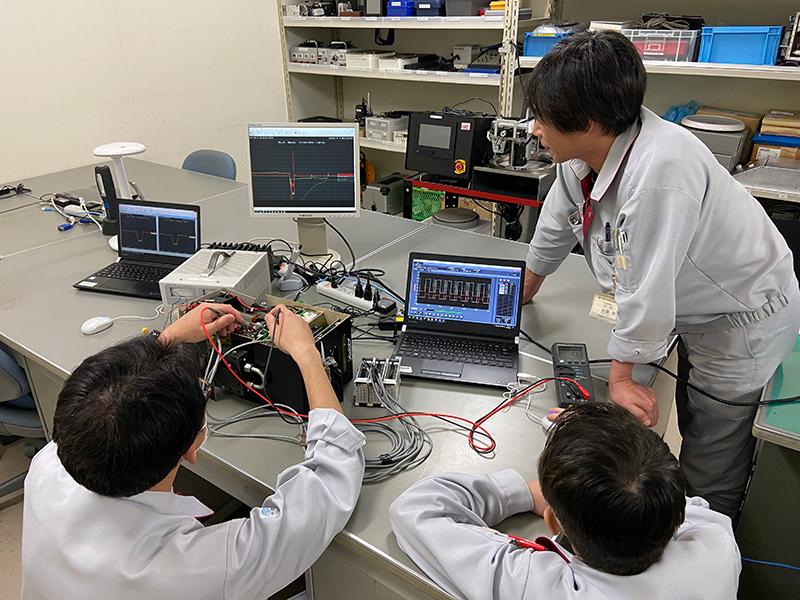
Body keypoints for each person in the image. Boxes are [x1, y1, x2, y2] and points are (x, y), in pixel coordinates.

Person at [522, 30, 800, 519]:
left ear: (587, 121)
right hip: (691, 310)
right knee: (692, 415)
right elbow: (554, 226)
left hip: (741, 317)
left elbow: (644, 287)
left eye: (542, 117)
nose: (533, 128)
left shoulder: (661, 170)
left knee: (712, 451)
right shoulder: (586, 154)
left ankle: (705, 551)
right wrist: (522, 290)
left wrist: (624, 376)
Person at [21, 303, 366, 600]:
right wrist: (307, 354)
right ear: (191, 447)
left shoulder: (48, 465)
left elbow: (112, 403)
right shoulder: (200, 569)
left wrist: (168, 340)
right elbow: (329, 478)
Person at [389, 403, 741, 600]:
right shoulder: (718, 548)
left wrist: (525, 491)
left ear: (553, 522)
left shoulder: (536, 588)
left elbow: (417, 510)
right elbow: (689, 506)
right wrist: (599, 446)